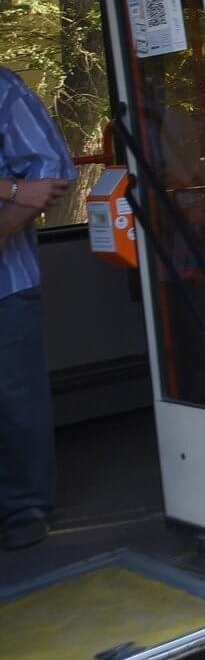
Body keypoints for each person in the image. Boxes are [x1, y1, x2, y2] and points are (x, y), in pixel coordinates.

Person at [0, 66, 75, 550]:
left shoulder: (2, 89)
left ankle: (23, 506)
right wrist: (7, 187)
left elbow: (52, 173)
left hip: (6, 285)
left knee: (15, 401)